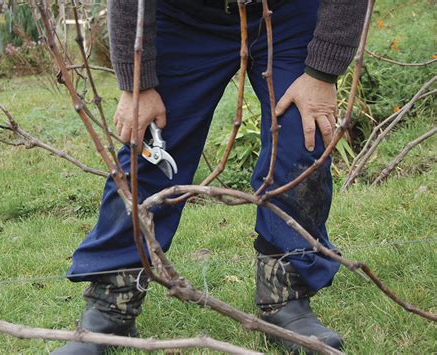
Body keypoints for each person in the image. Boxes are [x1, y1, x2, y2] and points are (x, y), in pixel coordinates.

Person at [53, 0, 367, 353]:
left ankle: (286, 300)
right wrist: (137, 83)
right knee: (153, 148)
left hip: (288, 13)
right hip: (185, 16)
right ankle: (111, 308)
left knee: (302, 136)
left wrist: (322, 73)